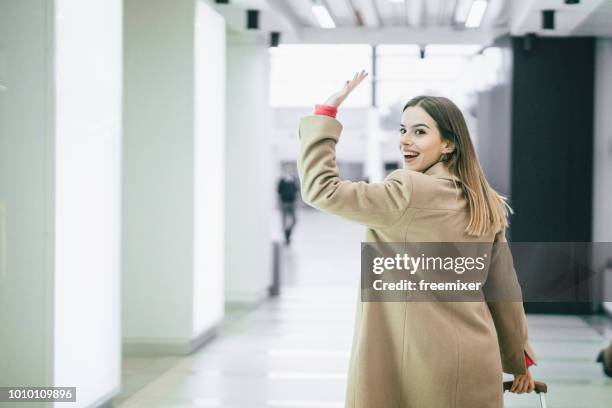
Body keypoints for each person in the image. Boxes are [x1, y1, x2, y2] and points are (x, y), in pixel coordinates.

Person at [297, 70, 537, 407]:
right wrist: (518, 361)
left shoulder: (407, 191)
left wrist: (325, 115)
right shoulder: (486, 202)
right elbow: (504, 291)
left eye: (420, 132)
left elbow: (321, 189)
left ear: (449, 144)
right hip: (475, 362)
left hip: (416, 368)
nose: (405, 140)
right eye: (403, 130)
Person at [277, 170, 299, 245]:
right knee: (284, 220)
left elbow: (296, 190)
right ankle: (286, 236)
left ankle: (288, 232)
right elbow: (279, 191)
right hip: (284, 203)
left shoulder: (293, 181)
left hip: (292, 203)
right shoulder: (282, 181)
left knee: (294, 220)